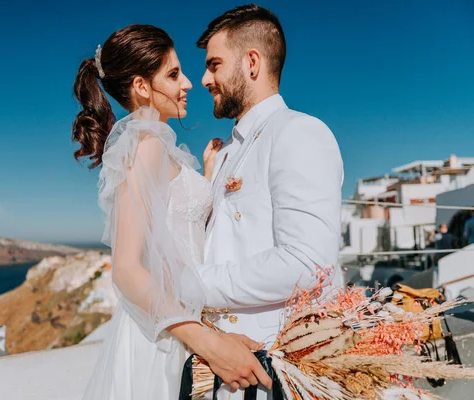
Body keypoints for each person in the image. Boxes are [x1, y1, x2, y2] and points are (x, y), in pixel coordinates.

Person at [74, 24, 271, 400]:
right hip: (166, 338)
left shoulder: (158, 147)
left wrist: (207, 179)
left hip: (182, 324)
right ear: (142, 87)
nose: (189, 84)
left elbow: (177, 226)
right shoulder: (145, 145)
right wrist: (207, 343)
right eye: (174, 74)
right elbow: (128, 270)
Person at [193, 5, 344, 398]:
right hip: (223, 374)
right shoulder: (224, 154)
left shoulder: (299, 133)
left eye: (214, 65)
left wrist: (195, 286)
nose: (204, 79)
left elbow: (307, 263)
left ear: (252, 62)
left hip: (273, 379)